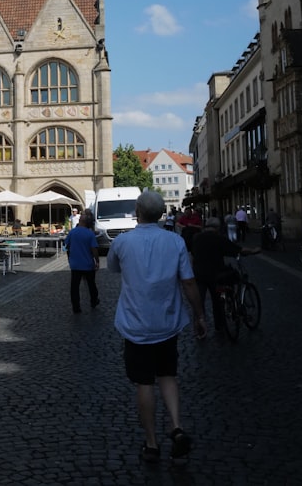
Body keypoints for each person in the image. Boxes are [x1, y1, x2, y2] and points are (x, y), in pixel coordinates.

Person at [106, 190, 206, 463]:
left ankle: (151, 443)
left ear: (137, 210)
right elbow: (188, 282)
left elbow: (112, 268)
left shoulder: (123, 242)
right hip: (167, 323)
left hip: (136, 325)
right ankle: (176, 426)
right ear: (162, 214)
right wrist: (199, 315)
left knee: (144, 382)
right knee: (168, 376)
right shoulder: (174, 242)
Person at [190, 217, 260, 335]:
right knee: (217, 301)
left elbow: (192, 254)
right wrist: (254, 251)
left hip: (198, 274)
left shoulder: (196, 238)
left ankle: (199, 327)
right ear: (217, 228)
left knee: (199, 301)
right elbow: (238, 250)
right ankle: (220, 325)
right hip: (215, 274)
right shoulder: (219, 238)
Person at [64, 208, 100, 314]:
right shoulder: (90, 234)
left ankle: (76, 307)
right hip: (88, 264)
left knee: (74, 287)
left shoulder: (72, 233)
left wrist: (69, 258)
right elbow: (94, 249)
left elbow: (67, 246)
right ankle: (94, 301)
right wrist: (97, 261)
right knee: (91, 285)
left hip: (75, 264)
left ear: (80, 222)